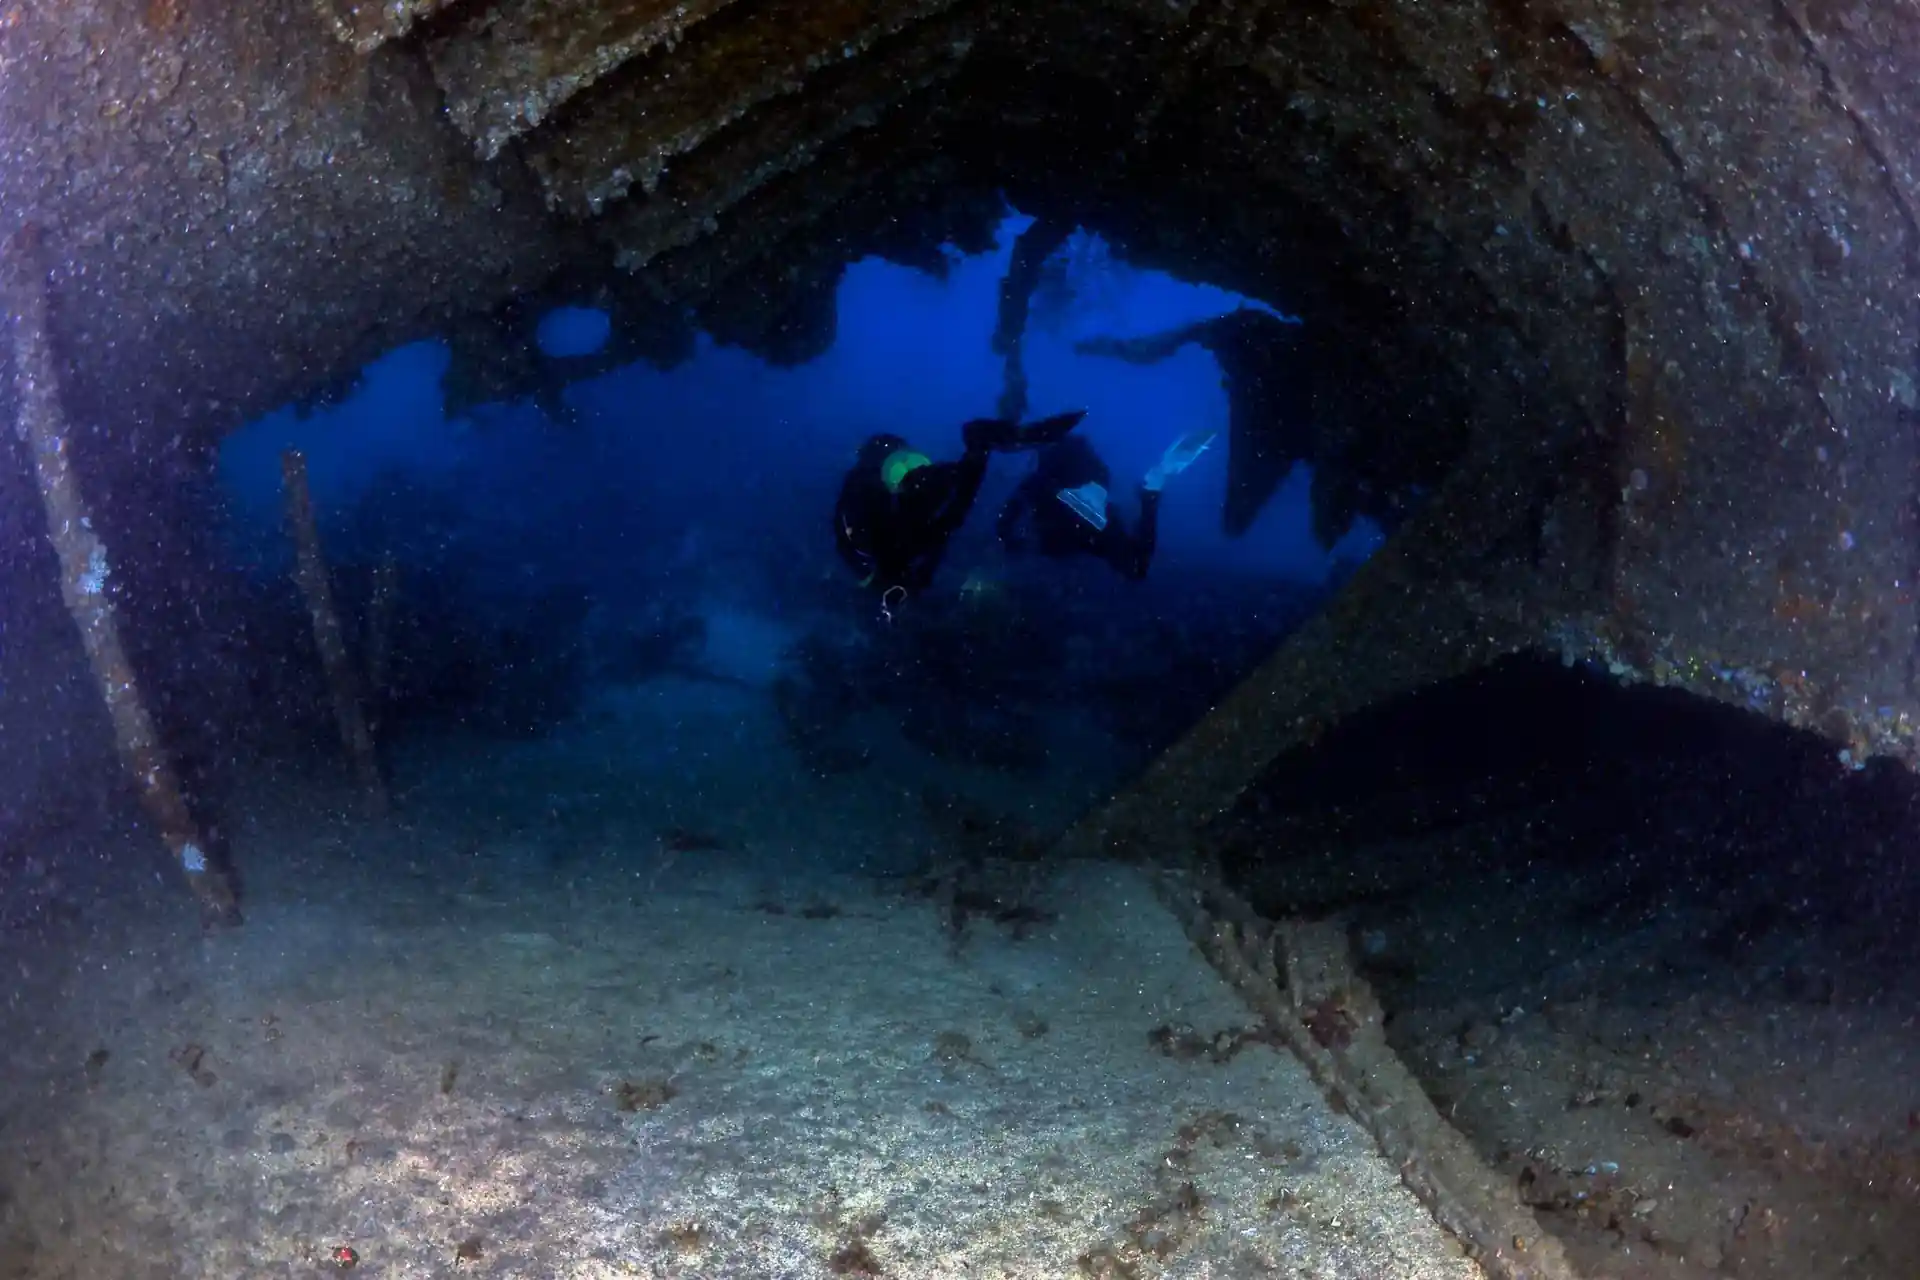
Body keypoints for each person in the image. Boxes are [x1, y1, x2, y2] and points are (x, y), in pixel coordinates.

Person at [833, 410, 1087, 608]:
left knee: (967, 454)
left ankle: (1001, 439)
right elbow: (859, 543)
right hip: (925, 528)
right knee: (970, 450)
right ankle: (1004, 438)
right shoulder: (866, 494)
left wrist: (894, 580)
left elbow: (854, 541)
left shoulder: (870, 488)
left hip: (924, 527)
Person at [995, 429, 1215, 581]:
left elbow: (1019, 502)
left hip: (1076, 516)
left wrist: (1008, 535)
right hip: (1082, 517)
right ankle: (1150, 490)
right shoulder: (1052, 480)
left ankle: (1149, 490)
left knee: (1134, 565)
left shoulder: (1045, 481)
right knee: (1134, 566)